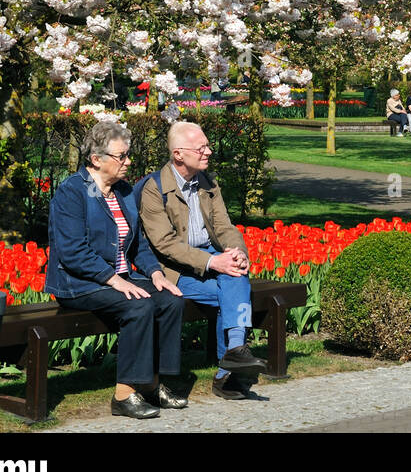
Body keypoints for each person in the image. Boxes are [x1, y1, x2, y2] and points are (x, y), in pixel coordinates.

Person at [44, 121, 186, 419]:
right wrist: (115, 281)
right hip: (80, 285)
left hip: (120, 279)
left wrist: (155, 274)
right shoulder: (73, 192)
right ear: (96, 159)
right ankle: (123, 395)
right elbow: (73, 253)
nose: (128, 161)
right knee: (139, 306)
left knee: (170, 299)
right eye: (121, 156)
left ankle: (152, 383)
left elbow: (138, 243)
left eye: (127, 154)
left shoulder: (123, 191)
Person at [139, 121, 267, 401]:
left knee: (235, 273)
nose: (208, 151)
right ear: (178, 154)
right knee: (232, 289)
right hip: (174, 270)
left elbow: (224, 227)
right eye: (202, 148)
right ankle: (227, 375)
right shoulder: (154, 188)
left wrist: (237, 252)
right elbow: (165, 244)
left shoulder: (208, 182)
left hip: (209, 260)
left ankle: (233, 355)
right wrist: (213, 263)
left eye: (207, 146)